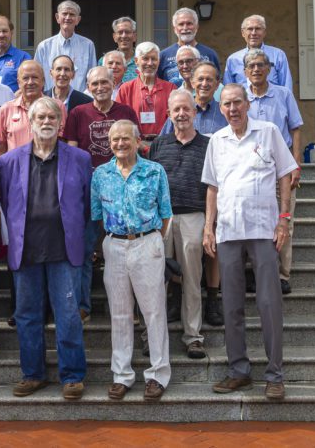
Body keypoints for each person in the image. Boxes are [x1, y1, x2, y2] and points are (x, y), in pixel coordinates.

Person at [202, 84, 297, 402]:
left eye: (237, 102)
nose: (232, 108)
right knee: (231, 306)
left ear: (247, 104)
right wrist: (208, 227)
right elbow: (212, 188)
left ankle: (275, 375)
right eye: (226, 104)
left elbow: (285, 174)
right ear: (222, 107)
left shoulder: (268, 131)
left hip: (263, 231)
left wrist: (283, 217)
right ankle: (239, 371)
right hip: (228, 232)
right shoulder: (217, 140)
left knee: (269, 304)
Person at [0, 97, 91, 400]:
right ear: (30, 121)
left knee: (67, 313)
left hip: (65, 249)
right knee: (27, 314)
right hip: (26, 249)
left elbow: (87, 204)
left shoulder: (79, 158)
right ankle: (33, 374)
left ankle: (72, 375)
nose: (47, 121)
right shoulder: (10, 161)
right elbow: (5, 203)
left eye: (52, 116)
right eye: (40, 116)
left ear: (61, 122)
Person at [91, 120, 172, 402]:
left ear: (138, 141)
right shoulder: (100, 174)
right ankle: (122, 375)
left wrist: (150, 240)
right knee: (120, 313)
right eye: (115, 140)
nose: (120, 144)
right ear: (109, 143)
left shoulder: (154, 171)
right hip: (114, 245)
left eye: (126, 139)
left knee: (153, 312)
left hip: (147, 242)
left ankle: (158, 374)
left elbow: (165, 213)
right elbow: (97, 215)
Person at [64, 66, 138, 321]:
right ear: (88, 86)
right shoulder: (77, 113)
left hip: (122, 189)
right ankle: (83, 305)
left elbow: (133, 149)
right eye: (94, 83)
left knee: (125, 248)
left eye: (104, 82)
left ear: (113, 83)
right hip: (89, 190)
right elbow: (72, 153)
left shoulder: (126, 113)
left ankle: (128, 306)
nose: (99, 87)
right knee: (85, 249)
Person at [148, 90, 210, 360]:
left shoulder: (208, 145)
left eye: (186, 109)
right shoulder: (159, 145)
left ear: (194, 112)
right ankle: (152, 338)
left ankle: (193, 336)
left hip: (194, 216)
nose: (181, 114)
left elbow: (213, 187)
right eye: (176, 110)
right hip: (162, 219)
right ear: (168, 114)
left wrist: (211, 223)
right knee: (155, 281)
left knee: (192, 279)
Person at [244, 48, 304, 295]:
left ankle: (281, 275)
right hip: (249, 167)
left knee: (283, 219)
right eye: (252, 66)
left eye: (261, 65)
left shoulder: (283, 94)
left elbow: (296, 128)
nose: (256, 69)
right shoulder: (240, 95)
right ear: (246, 71)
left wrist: (296, 163)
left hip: (281, 164)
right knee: (251, 219)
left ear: (269, 69)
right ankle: (252, 274)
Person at [115, 42, 177, 144]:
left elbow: (175, 121)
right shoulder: (126, 89)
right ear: (136, 61)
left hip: (164, 144)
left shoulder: (171, 88)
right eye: (145, 59)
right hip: (134, 144)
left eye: (154, 59)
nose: (149, 63)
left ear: (159, 61)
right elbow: (120, 121)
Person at [34, 0, 97, 92]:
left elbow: (93, 77)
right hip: (51, 101)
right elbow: (37, 75)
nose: (68, 17)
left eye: (72, 14)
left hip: (80, 102)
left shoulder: (88, 45)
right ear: (57, 17)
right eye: (64, 14)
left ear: (78, 20)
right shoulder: (44, 46)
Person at [0, 59, 52, 155]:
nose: (30, 82)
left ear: (43, 81)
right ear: (19, 82)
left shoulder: (56, 108)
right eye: (25, 78)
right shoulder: (6, 109)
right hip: (15, 168)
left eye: (35, 77)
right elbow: (1, 147)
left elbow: (62, 142)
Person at [223, 14, 294, 88]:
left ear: (264, 32)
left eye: (258, 29)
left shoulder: (278, 55)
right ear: (243, 33)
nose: (254, 33)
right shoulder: (233, 59)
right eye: (250, 29)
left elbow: (287, 86)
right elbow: (228, 89)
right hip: (243, 99)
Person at [161, 61, 227, 136]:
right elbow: (163, 142)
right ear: (192, 83)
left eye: (209, 79)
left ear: (217, 85)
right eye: (200, 79)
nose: (204, 84)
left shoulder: (225, 112)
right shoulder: (179, 112)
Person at [158, 7, 221, 87]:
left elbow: (217, 81)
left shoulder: (210, 54)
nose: (185, 28)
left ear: (197, 27)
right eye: (181, 24)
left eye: (189, 24)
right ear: (174, 29)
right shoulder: (164, 55)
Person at [0, 14, 31, 92]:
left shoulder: (23, 57)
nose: (1, 35)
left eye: (4, 31)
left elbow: (29, 84)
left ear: (11, 32)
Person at [98, 16, 138, 82]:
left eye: (127, 32)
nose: (124, 36)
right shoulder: (103, 61)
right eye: (120, 32)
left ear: (134, 36)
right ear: (114, 37)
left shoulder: (142, 61)